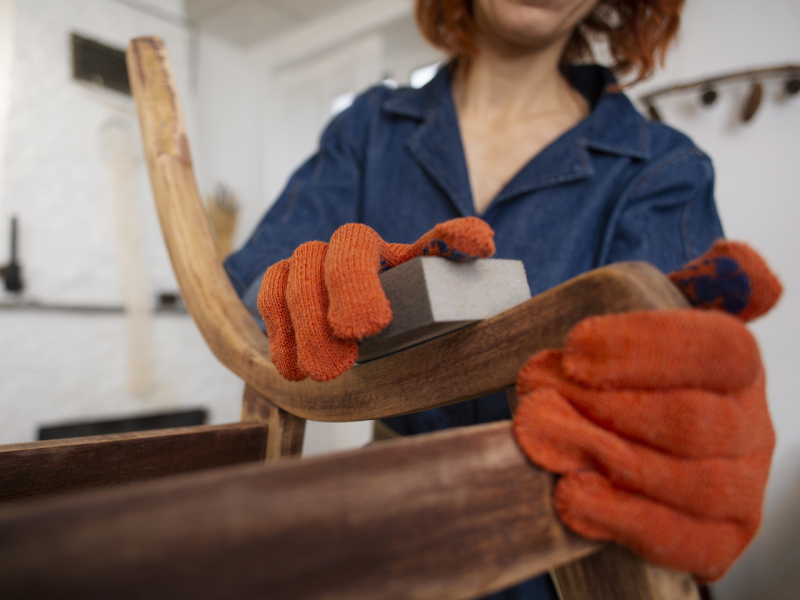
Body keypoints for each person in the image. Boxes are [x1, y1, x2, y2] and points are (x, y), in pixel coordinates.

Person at [225, 1, 776, 597]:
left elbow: (673, 384)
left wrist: (691, 421)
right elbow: (257, 271)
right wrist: (295, 292)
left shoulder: (665, 166)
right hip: (386, 535)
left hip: (569, 554)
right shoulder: (370, 127)